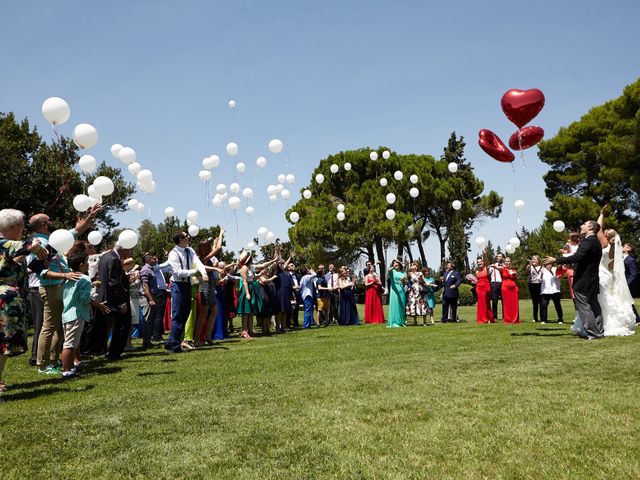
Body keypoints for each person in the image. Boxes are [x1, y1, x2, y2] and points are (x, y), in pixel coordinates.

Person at [0, 209, 47, 393]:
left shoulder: (8, 247)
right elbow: (30, 245)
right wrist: (36, 246)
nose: (22, 230)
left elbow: (19, 260)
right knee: (3, 342)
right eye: (21, 225)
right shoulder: (5, 243)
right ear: (14, 226)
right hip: (5, 300)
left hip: (9, 298)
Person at [545, 219, 604, 339]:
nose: (581, 226)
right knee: (595, 307)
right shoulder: (596, 242)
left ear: (591, 228)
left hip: (583, 280)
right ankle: (599, 331)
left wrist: (556, 260)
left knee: (584, 307)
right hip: (592, 279)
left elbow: (577, 257)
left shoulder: (588, 241)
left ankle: (594, 333)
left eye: (584, 224)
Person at [60, 244, 109, 378]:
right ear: (82, 265)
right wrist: (98, 305)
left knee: (71, 343)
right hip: (77, 314)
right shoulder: (85, 278)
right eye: (87, 263)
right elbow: (84, 298)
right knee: (69, 344)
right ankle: (66, 371)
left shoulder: (70, 278)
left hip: (67, 313)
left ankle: (71, 367)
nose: (88, 265)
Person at [165, 231, 208, 352]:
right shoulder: (173, 254)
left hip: (187, 284)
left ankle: (171, 340)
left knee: (184, 313)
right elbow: (177, 272)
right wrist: (195, 272)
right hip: (177, 285)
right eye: (186, 236)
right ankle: (174, 345)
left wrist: (204, 272)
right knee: (177, 314)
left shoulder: (190, 250)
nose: (189, 237)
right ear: (180, 240)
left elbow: (198, 262)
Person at [94, 242, 133, 359]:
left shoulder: (105, 256)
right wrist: (121, 303)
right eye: (129, 250)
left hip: (105, 296)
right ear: (124, 249)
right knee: (122, 325)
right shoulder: (114, 259)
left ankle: (103, 350)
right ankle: (114, 352)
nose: (130, 253)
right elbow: (114, 282)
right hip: (114, 299)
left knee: (106, 326)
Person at [236, 250, 278, 339]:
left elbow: (262, 267)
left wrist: (273, 261)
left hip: (252, 287)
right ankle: (244, 331)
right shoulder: (244, 268)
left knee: (251, 312)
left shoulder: (251, 267)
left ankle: (250, 330)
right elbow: (244, 281)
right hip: (247, 289)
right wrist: (247, 293)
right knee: (246, 312)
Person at [139, 253, 159, 349]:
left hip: (151, 296)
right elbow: (145, 286)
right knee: (147, 319)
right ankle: (146, 342)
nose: (155, 260)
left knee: (150, 319)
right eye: (153, 258)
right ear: (148, 260)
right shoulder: (145, 270)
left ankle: (148, 340)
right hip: (146, 298)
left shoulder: (150, 269)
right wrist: (150, 299)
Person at [123, 258, 140, 351]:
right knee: (128, 323)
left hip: (135, 299)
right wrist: (136, 280)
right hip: (130, 300)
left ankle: (129, 343)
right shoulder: (125, 275)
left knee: (132, 324)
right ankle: (126, 344)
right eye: (130, 264)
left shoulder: (131, 273)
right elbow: (129, 287)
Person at [472, 253, 494, 324]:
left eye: (480, 261)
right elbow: (477, 280)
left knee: (487, 303)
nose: (479, 263)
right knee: (481, 303)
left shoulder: (486, 268)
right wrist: (474, 282)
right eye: (478, 262)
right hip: (479, 288)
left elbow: (487, 262)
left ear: (483, 262)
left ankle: (488, 318)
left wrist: (485, 254)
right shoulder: (477, 270)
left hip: (486, 287)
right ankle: (482, 318)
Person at [405, 261, 430, 326]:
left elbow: (423, 282)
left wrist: (421, 279)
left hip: (419, 290)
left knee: (422, 304)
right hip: (412, 290)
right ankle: (415, 321)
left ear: (416, 266)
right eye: (411, 265)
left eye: (414, 265)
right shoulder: (409, 273)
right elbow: (407, 280)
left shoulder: (420, 273)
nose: (412, 266)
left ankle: (424, 322)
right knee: (412, 304)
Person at [387, 259, 407, 328]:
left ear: (400, 264)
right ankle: (394, 322)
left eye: (397, 263)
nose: (396, 264)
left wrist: (404, 281)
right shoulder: (392, 271)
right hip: (394, 291)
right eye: (394, 263)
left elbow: (405, 283)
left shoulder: (403, 272)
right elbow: (388, 270)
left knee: (402, 306)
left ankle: (402, 321)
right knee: (395, 305)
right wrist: (393, 267)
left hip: (401, 290)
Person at [622, 242, 639, 323]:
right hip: (621, 284)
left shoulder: (630, 260)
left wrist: (627, 284)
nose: (622, 247)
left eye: (624, 246)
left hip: (627, 284)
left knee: (628, 301)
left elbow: (634, 273)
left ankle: (637, 319)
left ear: (628, 249)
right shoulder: (622, 258)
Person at [560, 232, 580, 299]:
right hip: (571, 269)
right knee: (573, 289)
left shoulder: (581, 245)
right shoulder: (568, 245)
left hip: (580, 268)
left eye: (570, 238)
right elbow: (566, 254)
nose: (569, 240)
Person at [525, 256, 544, 322]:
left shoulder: (542, 267)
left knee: (541, 302)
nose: (533, 260)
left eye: (534, 259)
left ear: (538, 260)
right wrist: (530, 263)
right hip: (532, 285)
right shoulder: (531, 267)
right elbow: (527, 269)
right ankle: (535, 318)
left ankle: (542, 318)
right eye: (532, 259)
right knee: (535, 302)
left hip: (541, 285)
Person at [488, 252, 504, 320]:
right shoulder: (492, 266)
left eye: (499, 256)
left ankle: (505, 316)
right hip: (494, 283)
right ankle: (494, 316)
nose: (498, 257)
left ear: (503, 258)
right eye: (497, 256)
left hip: (503, 283)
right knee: (494, 301)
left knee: (504, 301)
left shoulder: (505, 265)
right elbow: (488, 274)